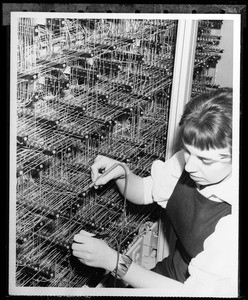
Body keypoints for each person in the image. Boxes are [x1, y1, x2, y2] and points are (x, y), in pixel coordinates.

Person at [72, 88, 237, 296]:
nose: (189, 167)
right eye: (188, 151)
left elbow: (195, 294)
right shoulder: (190, 164)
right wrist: (122, 174)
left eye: (206, 160)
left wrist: (114, 261)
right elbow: (143, 191)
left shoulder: (233, 225)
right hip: (169, 274)